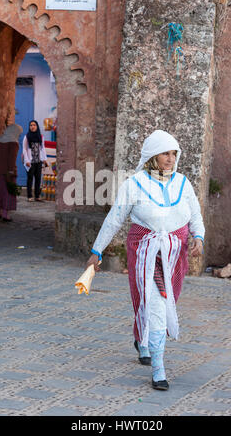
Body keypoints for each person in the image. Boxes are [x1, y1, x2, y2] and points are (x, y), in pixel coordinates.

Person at [86, 130, 205, 391]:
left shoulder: (183, 184)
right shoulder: (134, 184)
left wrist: (198, 238)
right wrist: (96, 251)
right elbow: (114, 219)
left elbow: (195, 215)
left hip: (174, 257)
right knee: (156, 306)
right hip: (145, 253)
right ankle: (159, 369)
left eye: (174, 154)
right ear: (152, 156)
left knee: (162, 300)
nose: (171, 158)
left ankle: (142, 340)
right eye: (165, 153)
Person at [0, 112, 22, 222]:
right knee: (8, 192)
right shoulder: (13, 143)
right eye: (19, 133)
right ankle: (5, 213)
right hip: (7, 173)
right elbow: (11, 159)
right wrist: (11, 172)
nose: (19, 135)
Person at [22, 120, 48, 202]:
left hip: (38, 161)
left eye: (34, 125)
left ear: (37, 126)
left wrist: (44, 159)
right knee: (30, 178)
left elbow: (42, 148)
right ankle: (29, 196)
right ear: (29, 127)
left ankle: (37, 196)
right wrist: (26, 160)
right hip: (30, 161)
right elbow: (24, 149)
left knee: (38, 179)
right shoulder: (27, 137)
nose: (32, 127)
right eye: (31, 125)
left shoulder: (41, 137)